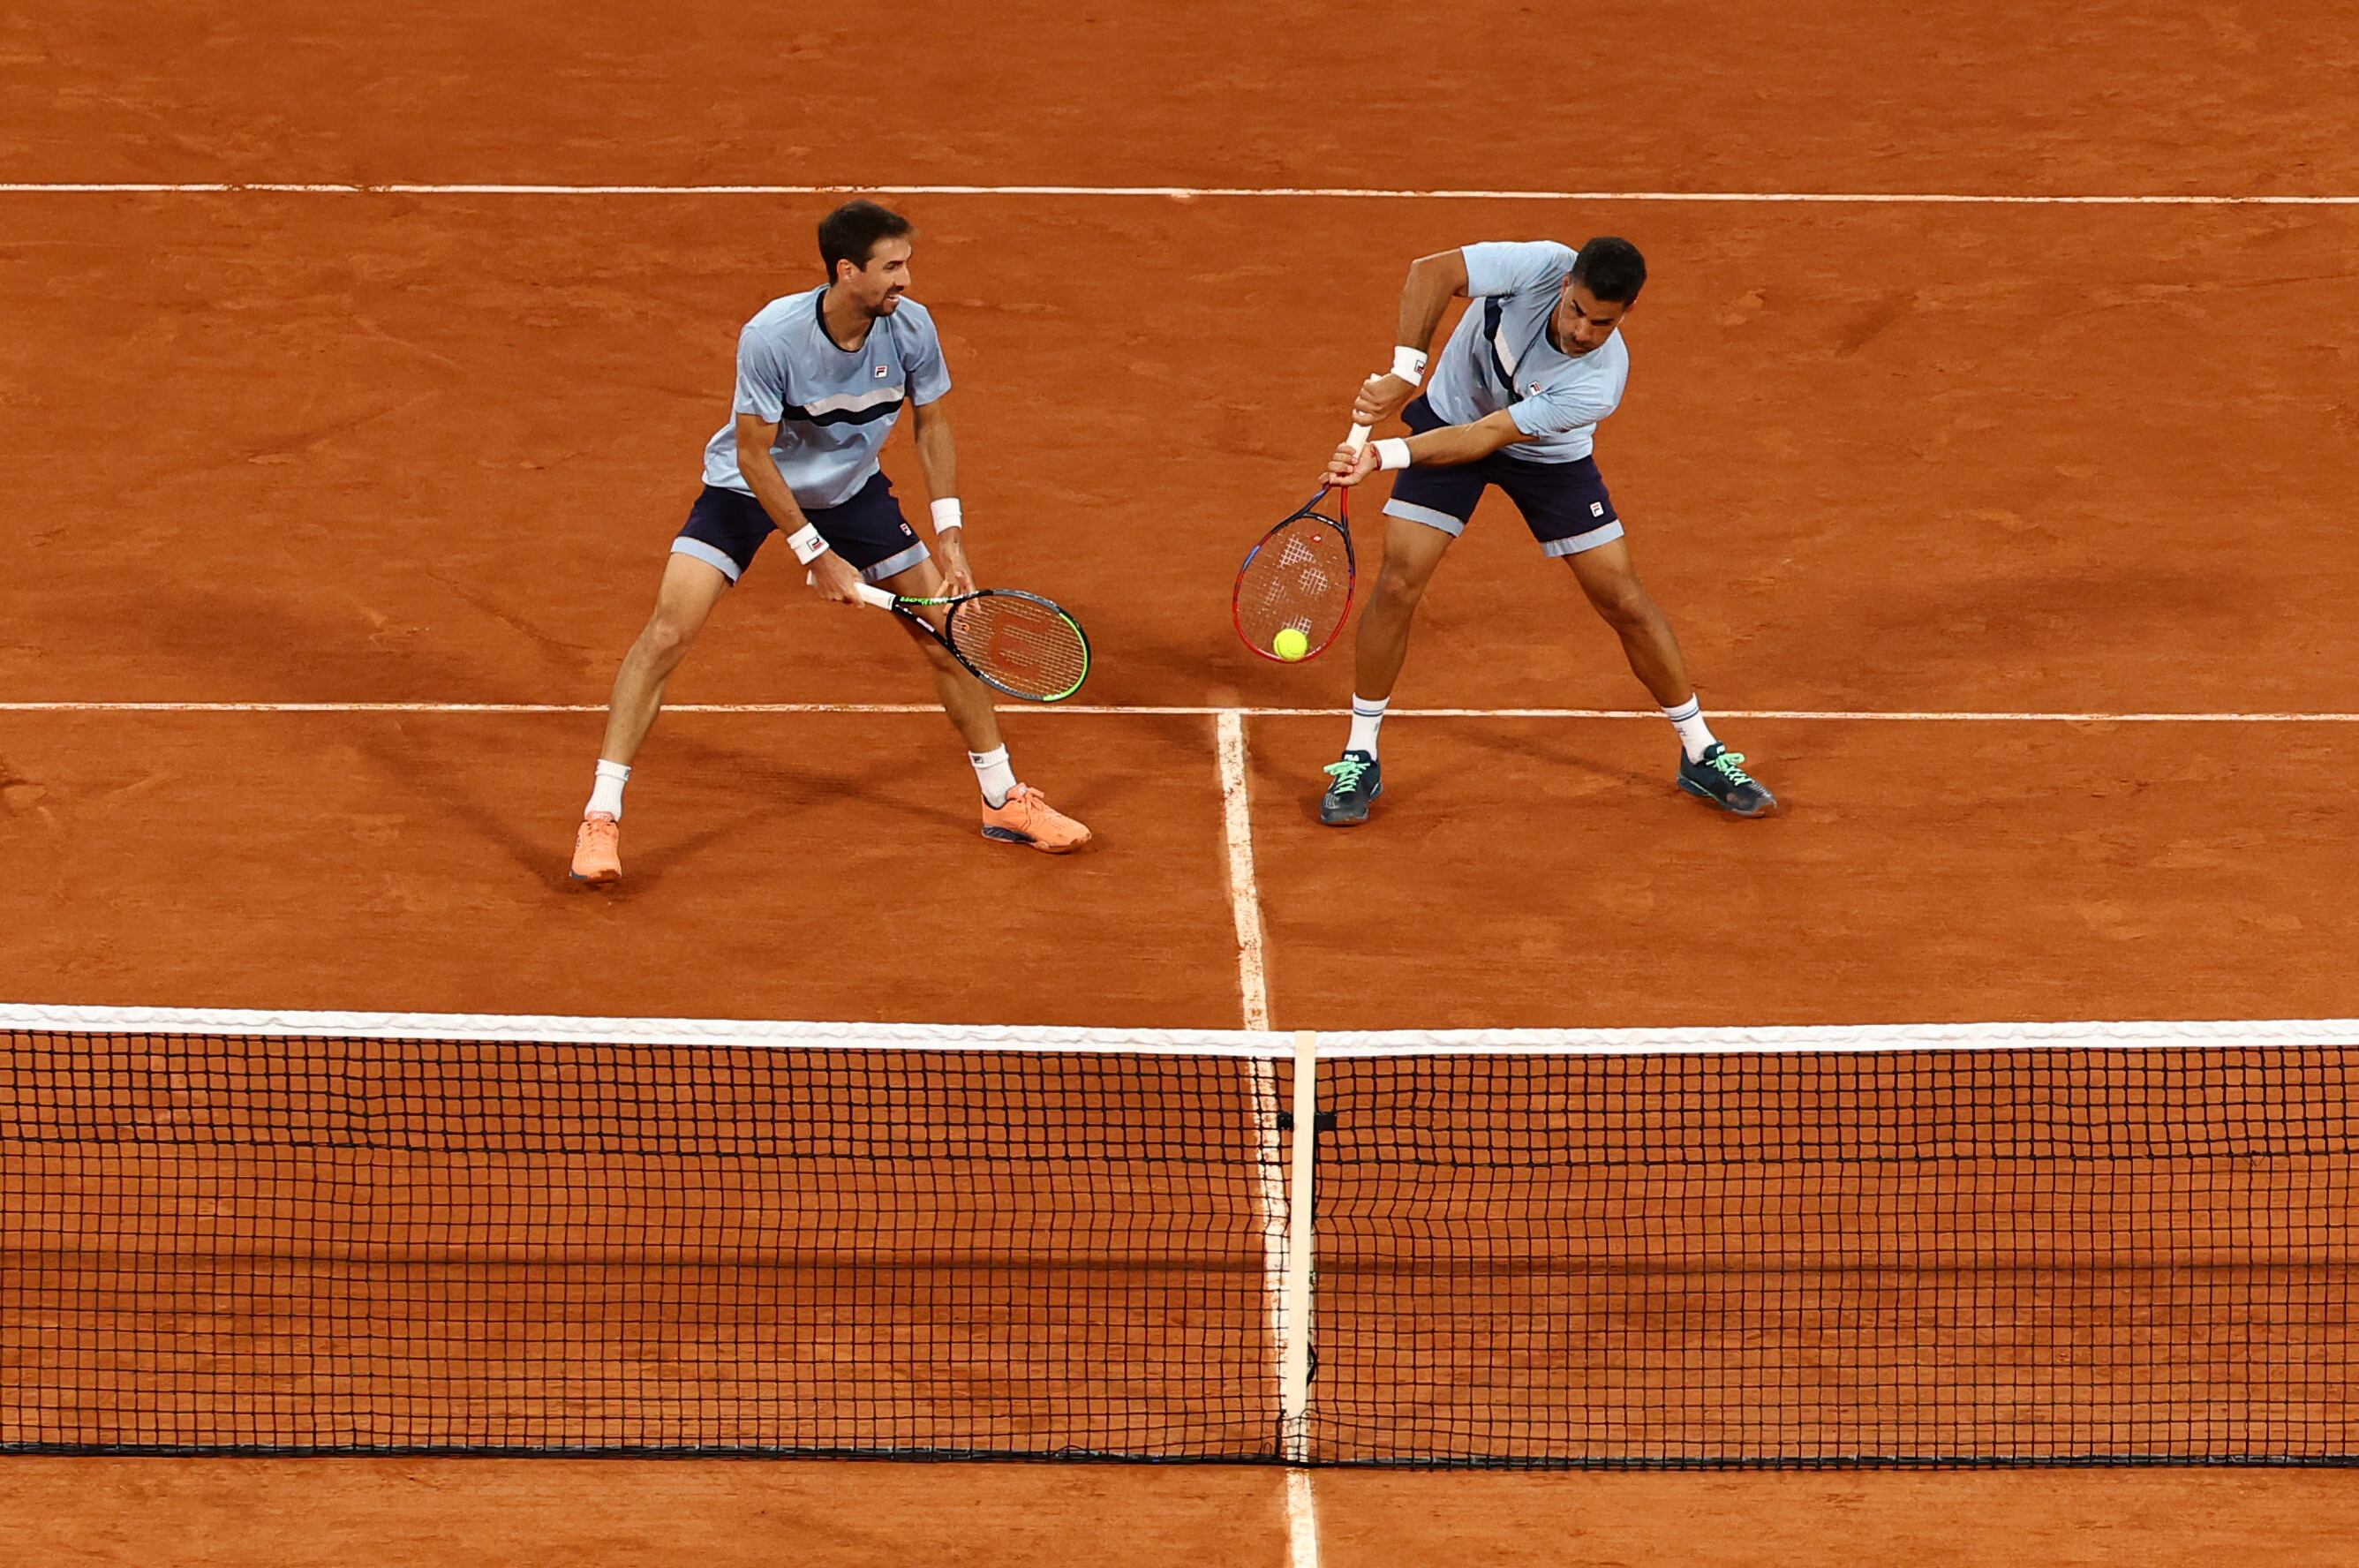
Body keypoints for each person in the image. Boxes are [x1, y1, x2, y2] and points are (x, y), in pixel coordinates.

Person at [569, 200, 1090, 884]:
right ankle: (601, 817)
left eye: (907, 264)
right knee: (667, 633)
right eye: (892, 267)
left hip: (851, 491)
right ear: (848, 272)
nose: (905, 281)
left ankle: (1003, 801)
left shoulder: (911, 328)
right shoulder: (773, 337)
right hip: (748, 491)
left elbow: (931, 425)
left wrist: (952, 533)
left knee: (947, 631)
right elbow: (755, 456)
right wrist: (814, 554)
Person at [1316, 237, 1776, 825]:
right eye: (1579, 310)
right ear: (1566, 285)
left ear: (1626, 315)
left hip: (1542, 456)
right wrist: (1408, 371)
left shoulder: (1598, 383)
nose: (1584, 331)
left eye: (1602, 323)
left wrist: (1380, 456)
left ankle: (1700, 751)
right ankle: (1361, 754)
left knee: (1622, 598)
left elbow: (1486, 438)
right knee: (1401, 580)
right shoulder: (1537, 266)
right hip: (1450, 415)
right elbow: (1431, 271)